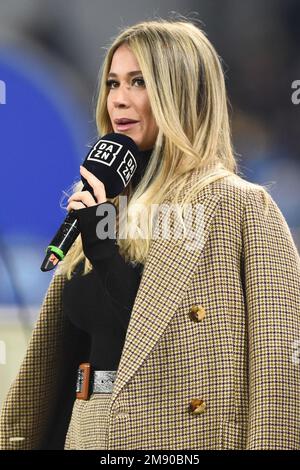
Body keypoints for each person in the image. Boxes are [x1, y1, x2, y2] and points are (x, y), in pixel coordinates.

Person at [0, 18, 299, 451]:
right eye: (112, 83)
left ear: (180, 94)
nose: (119, 99)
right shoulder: (102, 204)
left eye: (138, 82)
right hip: (88, 435)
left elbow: (279, 366)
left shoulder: (239, 206)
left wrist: (103, 248)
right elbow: (70, 360)